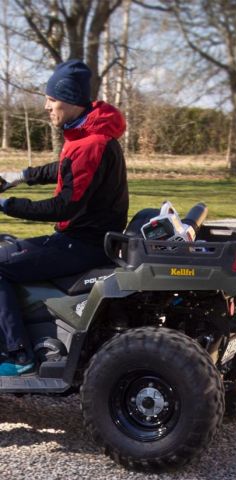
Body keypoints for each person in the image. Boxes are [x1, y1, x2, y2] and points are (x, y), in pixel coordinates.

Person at [0, 59, 128, 376]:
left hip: (81, 244)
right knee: (9, 247)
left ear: (70, 101)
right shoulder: (90, 134)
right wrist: (19, 175)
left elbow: (63, 207)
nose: (46, 106)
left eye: (52, 99)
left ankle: (17, 354)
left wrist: (6, 205)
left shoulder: (90, 144)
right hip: (85, 239)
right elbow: (65, 170)